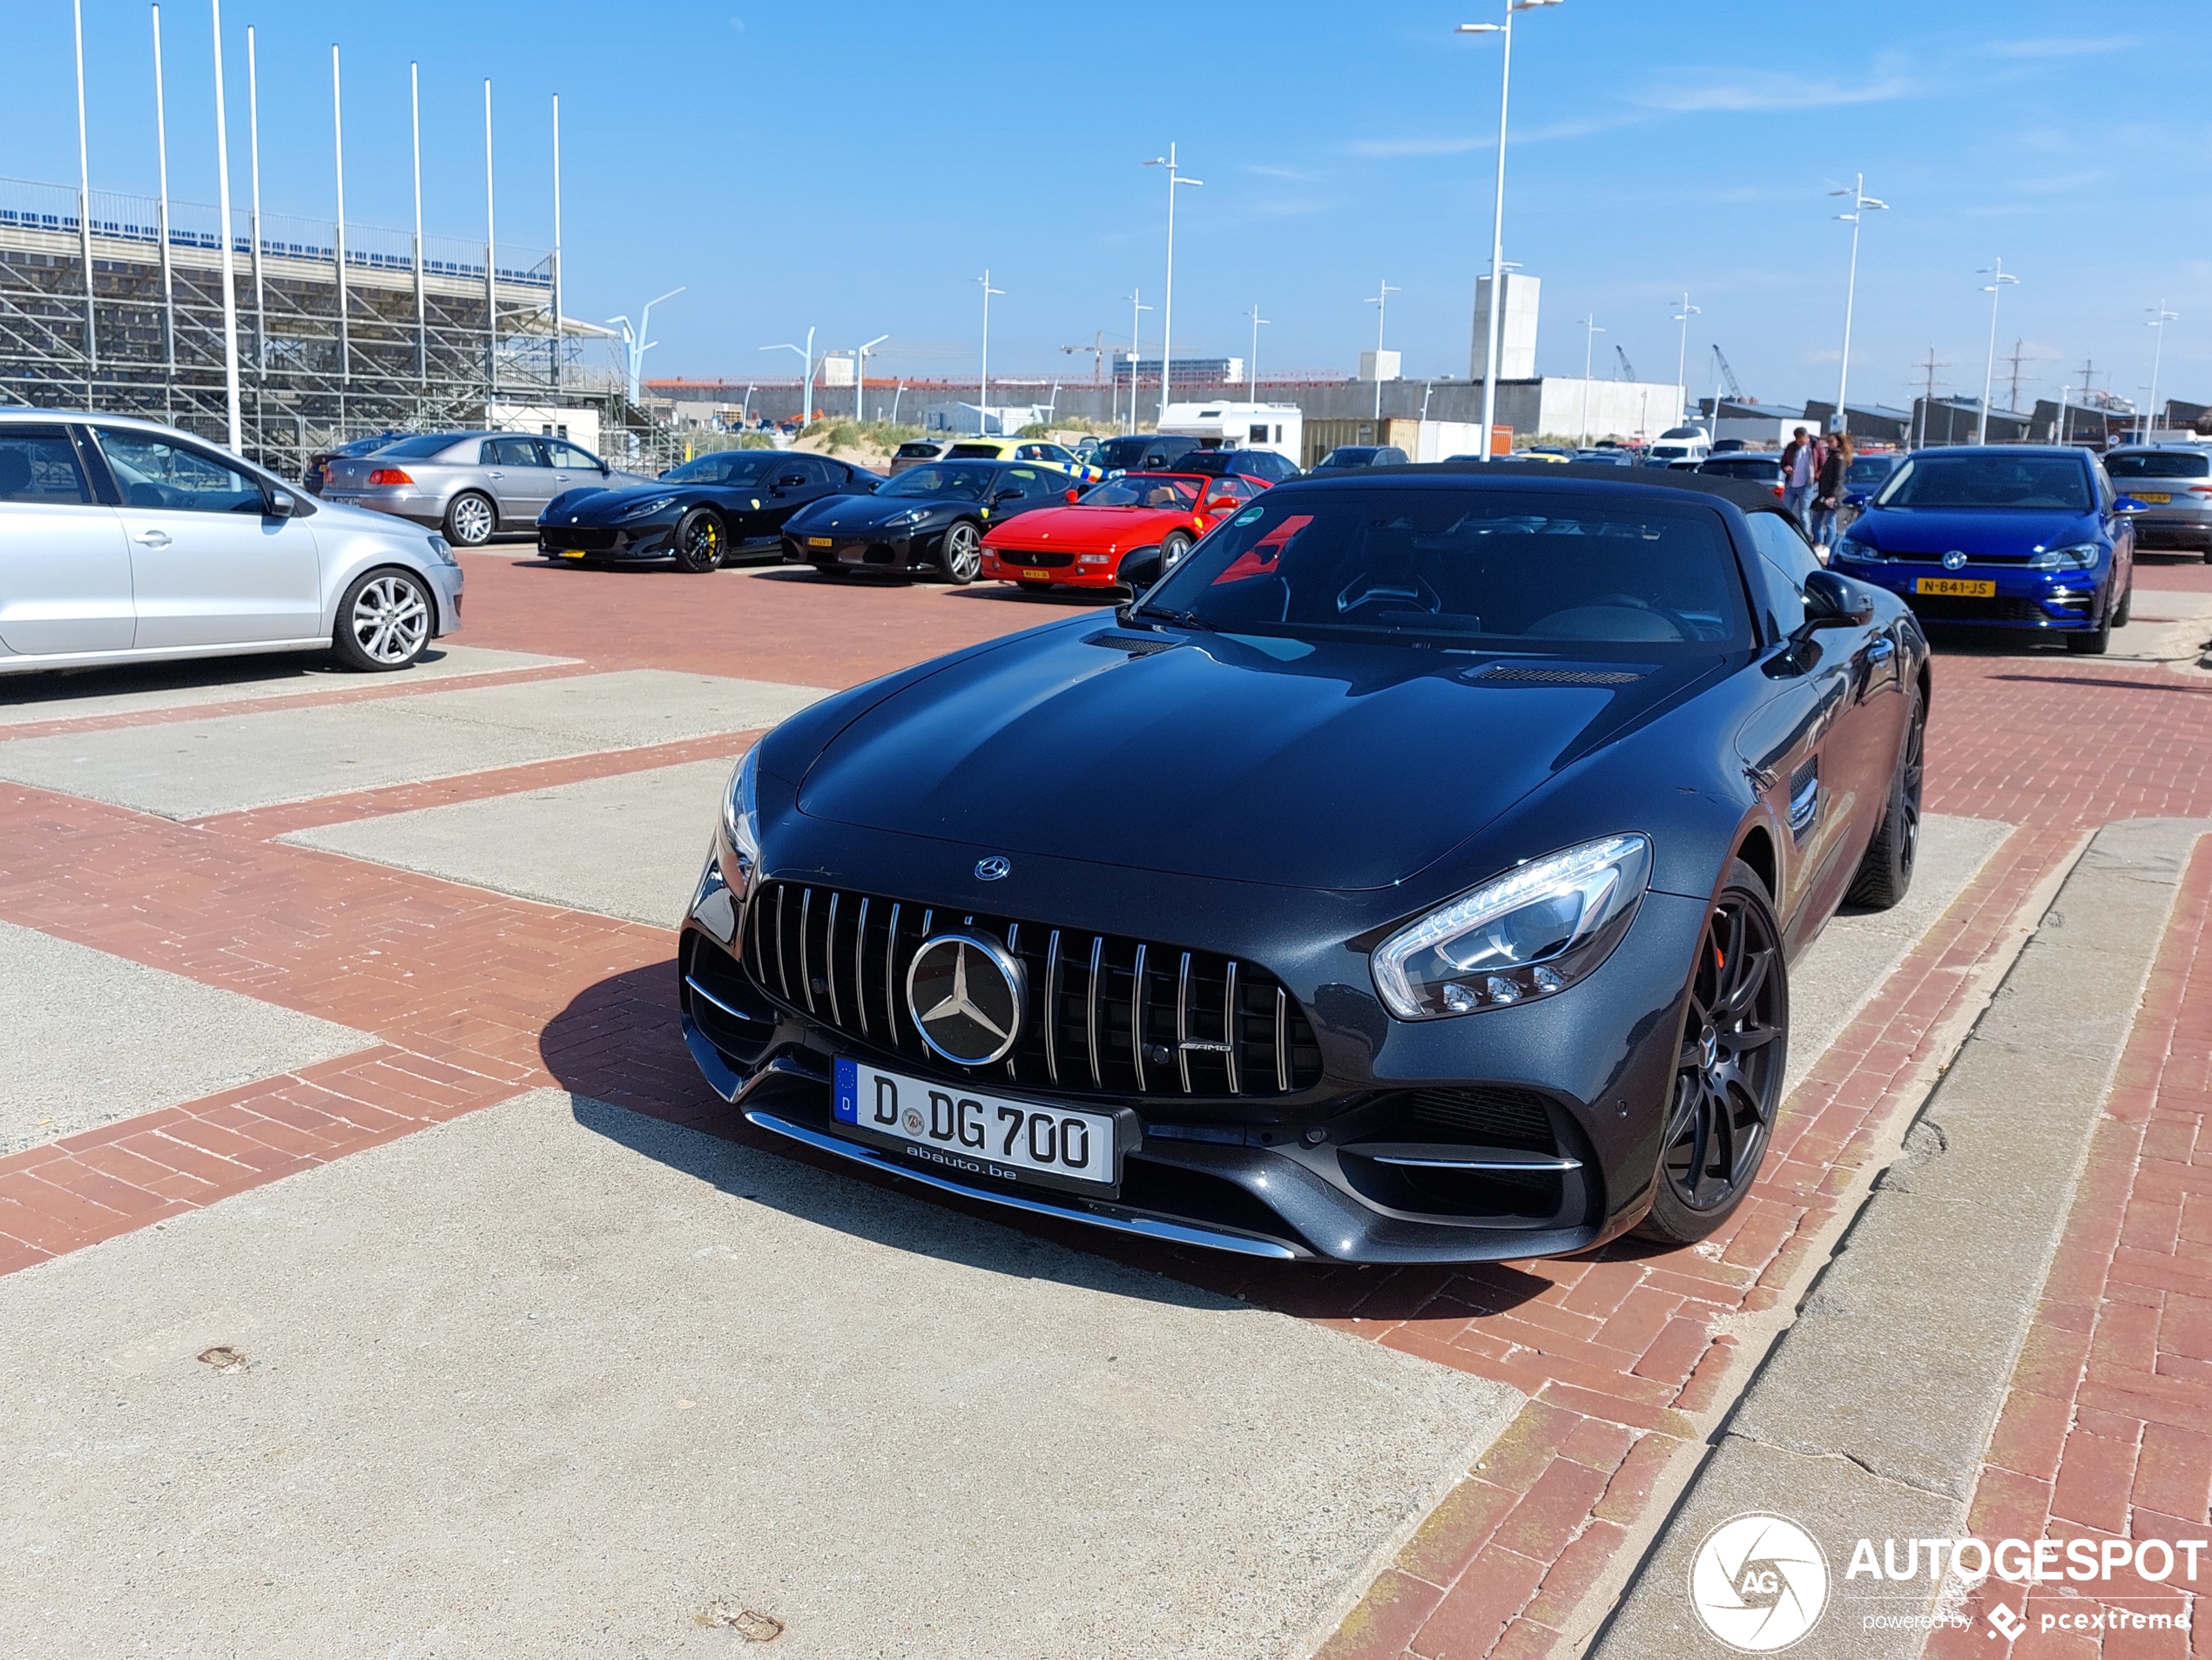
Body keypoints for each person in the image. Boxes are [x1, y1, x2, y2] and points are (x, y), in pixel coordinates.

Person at [1810, 431, 1853, 553]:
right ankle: (1818, 543)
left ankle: (1829, 546)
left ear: (1838, 442)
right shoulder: (1831, 456)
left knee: (1830, 521)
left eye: (1831, 441)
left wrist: (1833, 496)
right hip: (1823, 493)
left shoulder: (1839, 458)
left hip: (1832, 495)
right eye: (1828, 441)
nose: (1829, 444)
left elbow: (1838, 479)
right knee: (1816, 520)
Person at [1781, 426, 1820, 530]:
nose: (1800, 443)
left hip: (1806, 486)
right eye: (1798, 441)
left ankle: (1805, 538)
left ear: (1807, 437)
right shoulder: (1791, 447)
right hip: (1791, 484)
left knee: (1804, 514)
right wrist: (1786, 468)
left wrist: (1815, 477)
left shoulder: (1815, 447)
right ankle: (1786, 533)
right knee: (1786, 512)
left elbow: (1822, 465)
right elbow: (1783, 462)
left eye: (1802, 440)